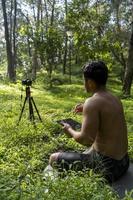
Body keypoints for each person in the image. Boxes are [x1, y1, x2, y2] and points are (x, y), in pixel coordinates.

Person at [48, 61, 129, 182]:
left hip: (108, 168)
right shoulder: (115, 98)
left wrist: (69, 130)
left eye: (84, 80)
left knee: (53, 158)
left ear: (90, 82)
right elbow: (106, 120)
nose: (83, 84)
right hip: (124, 162)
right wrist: (86, 108)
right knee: (92, 147)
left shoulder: (92, 102)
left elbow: (86, 140)